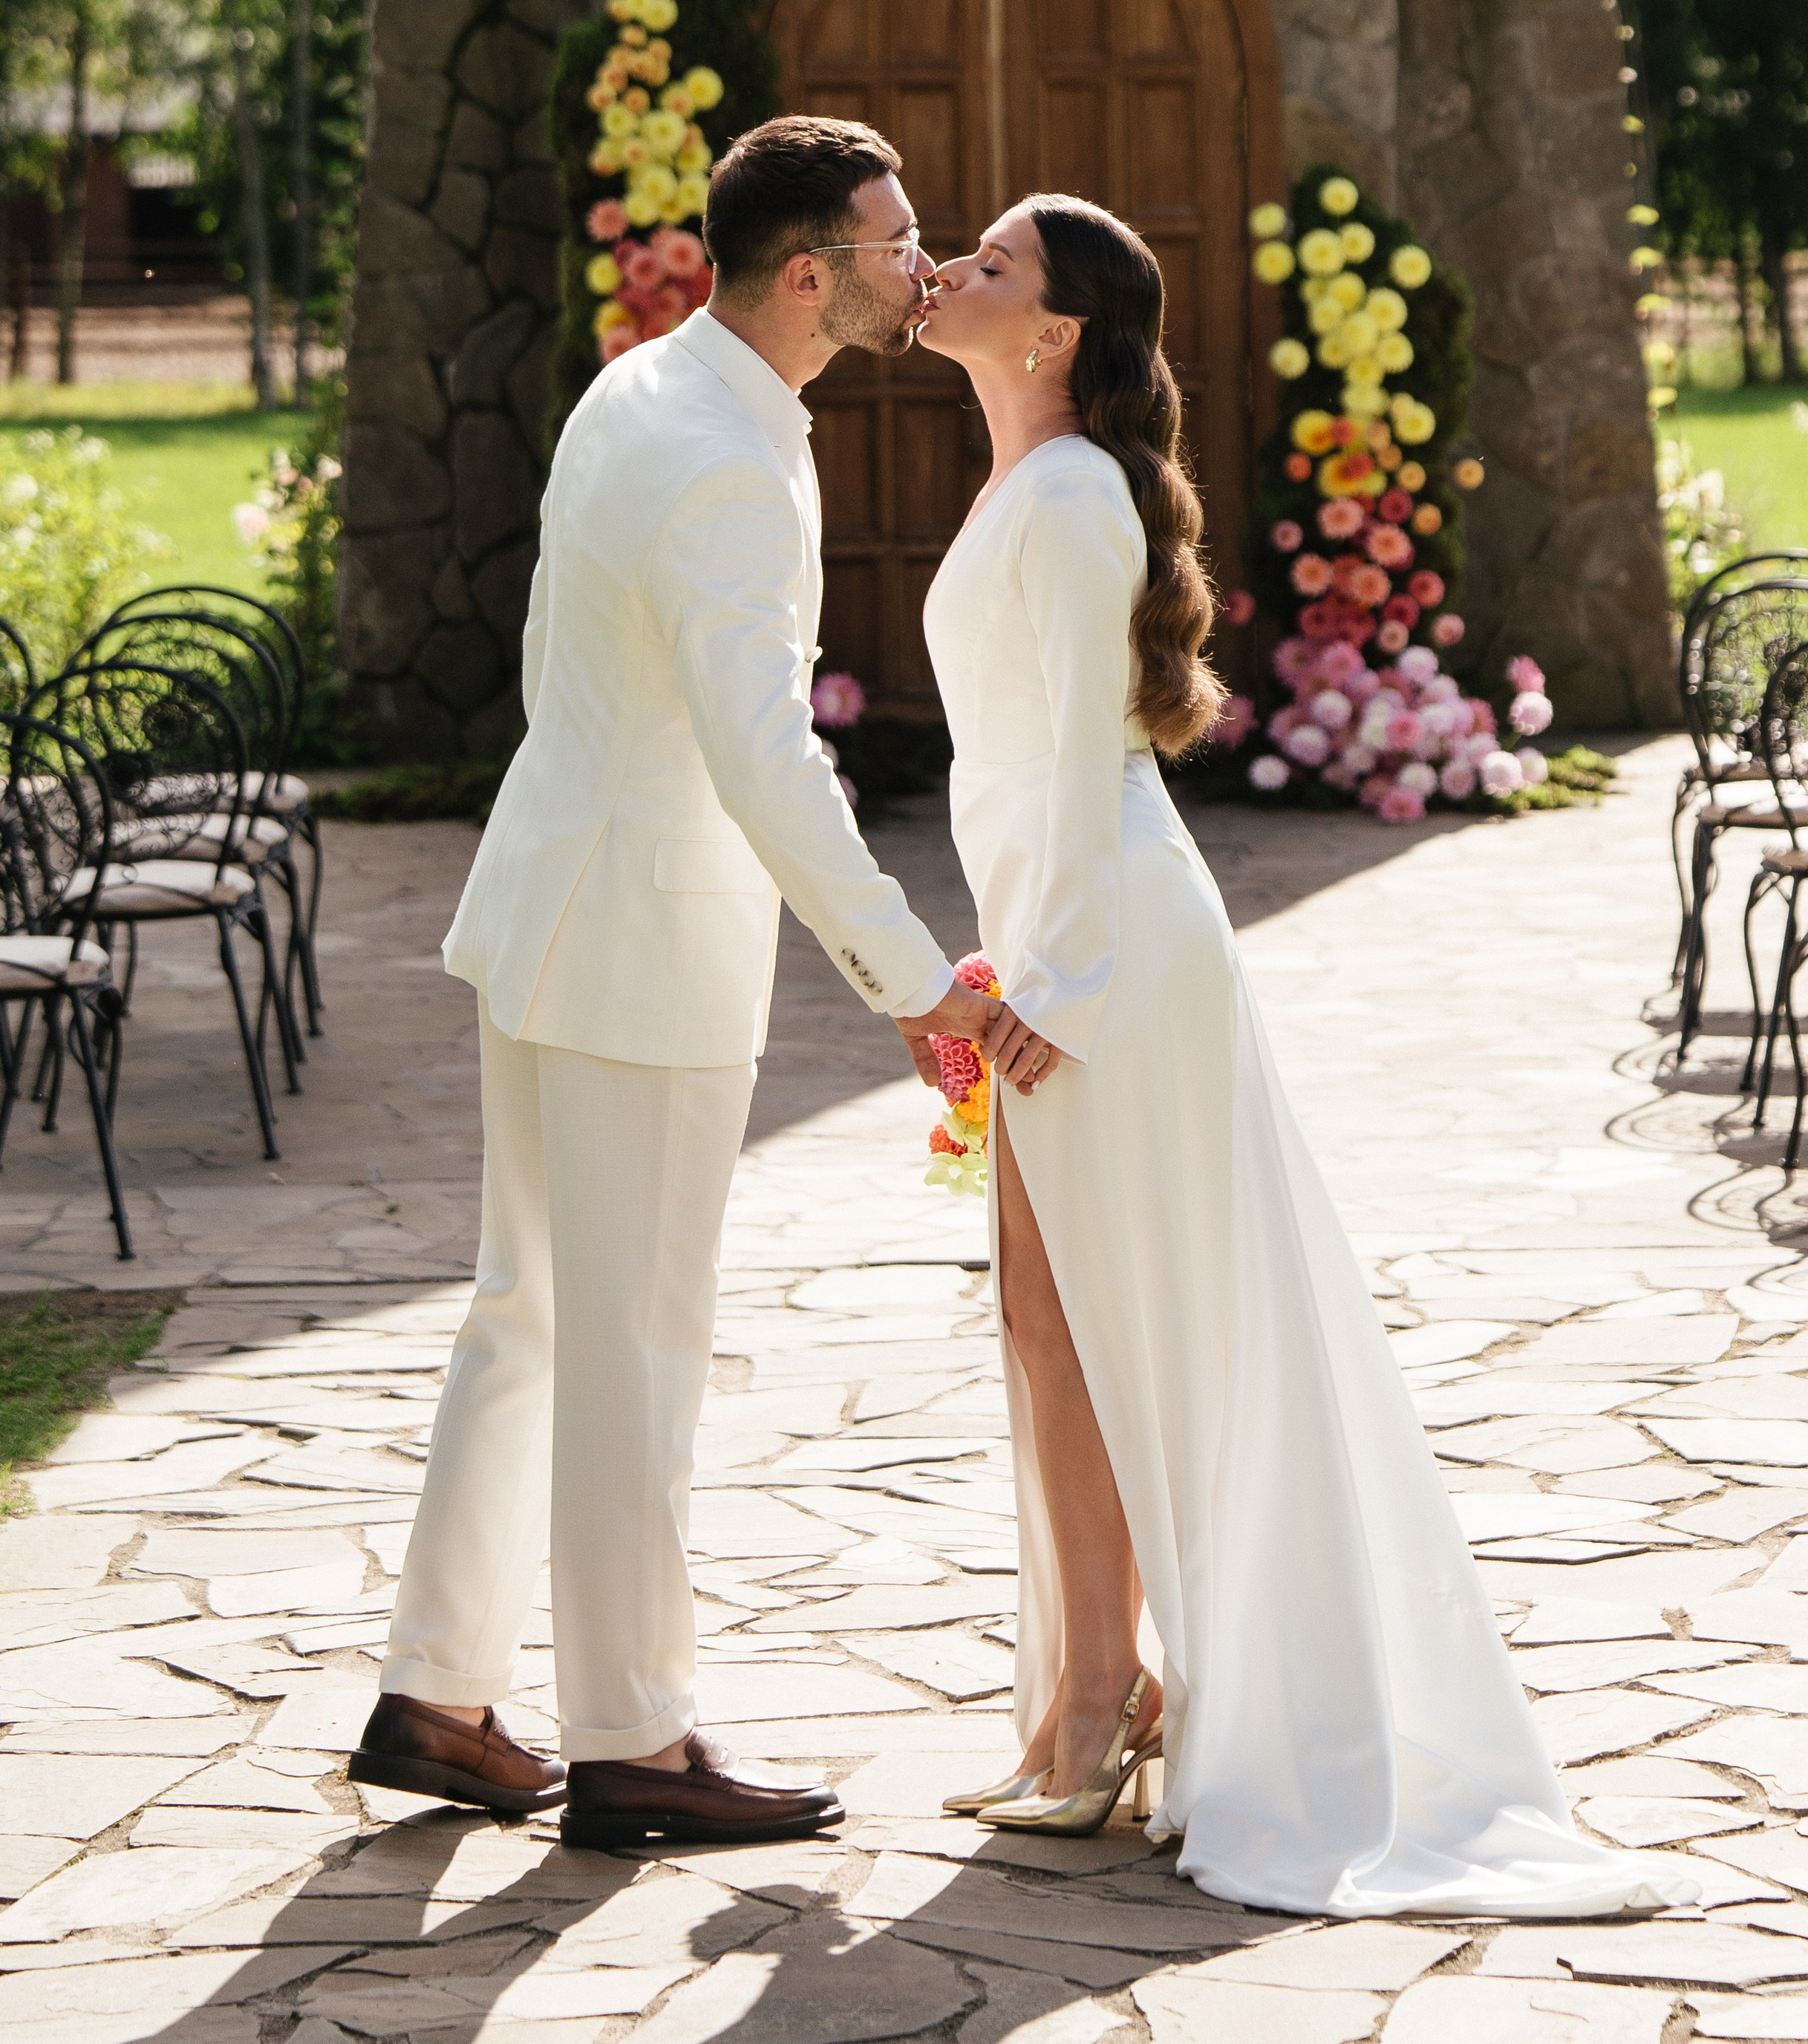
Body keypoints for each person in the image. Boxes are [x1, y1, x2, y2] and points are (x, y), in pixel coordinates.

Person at [915, 193, 1685, 1918]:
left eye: (992, 263)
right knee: (1047, 1323)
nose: (952, 269)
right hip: (1058, 929)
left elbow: (1072, 759)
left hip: (1107, 950)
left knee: (1096, 1324)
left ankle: (1100, 1707)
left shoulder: (1067, 494)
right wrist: (1005, 955)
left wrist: (1050, 982)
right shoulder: (1029, 482)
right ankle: (1096, 1692)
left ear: (1051, 330)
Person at [349, 116, 1008, 1854]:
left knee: (528, 1317)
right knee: (629, 1345)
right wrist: (907, 974)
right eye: (894, 241)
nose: (919, 262)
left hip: (548, 907)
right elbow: (759, 750)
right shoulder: (720, 452)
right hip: (635, 947)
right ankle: (633, 1741)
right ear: (806, 274)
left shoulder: (643, 385)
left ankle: (435, 1695)